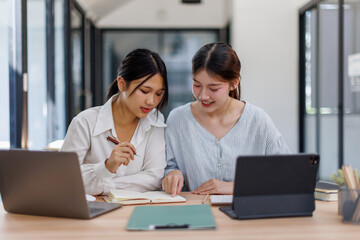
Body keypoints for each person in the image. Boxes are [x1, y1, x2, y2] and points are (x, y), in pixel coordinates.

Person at [162, 42, 290, 196]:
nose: (203, 95)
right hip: (196, 213)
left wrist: (235, 187)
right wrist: (172, 174)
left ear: (233, 83)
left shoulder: (258, 120)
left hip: (247, 215)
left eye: (213, 88)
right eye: (197, 85)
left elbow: (286, 175)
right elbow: (168, 166)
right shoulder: (177, 119)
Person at [61, 48, 168, 195]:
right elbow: (64, 179)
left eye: (158, 94)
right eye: (144, 91)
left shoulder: (155, 120)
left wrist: (103, 183)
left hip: (138, 210)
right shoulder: (85, 122)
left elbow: (154, 178)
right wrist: (107, 166)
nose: (151, 101)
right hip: (92, 214)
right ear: (122, 84)